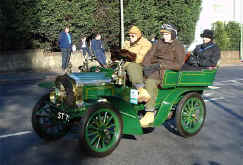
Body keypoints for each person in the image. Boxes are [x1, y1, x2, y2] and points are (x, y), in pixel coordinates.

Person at [139, 23, 186, 127]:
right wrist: (145, 66)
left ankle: (150, 112)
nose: (164, 36)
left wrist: (161, 65)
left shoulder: (178, 46)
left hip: (165, 72)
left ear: (173, 34)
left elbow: (178, 64)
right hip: (153, 69)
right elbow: (148, 56)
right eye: (163, 34)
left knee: (150, 82)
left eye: (167, 34)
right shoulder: (158, 43)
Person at [121, 26, 152, 102]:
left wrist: (127, 57)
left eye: (133, 36)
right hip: (126, 65)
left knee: (132, 66)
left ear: (138, 36)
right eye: (129, 36)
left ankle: (141, 90)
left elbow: (139, 58)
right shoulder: (127, 44)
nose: (130, 37)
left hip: (142, 66)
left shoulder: (146, 44)